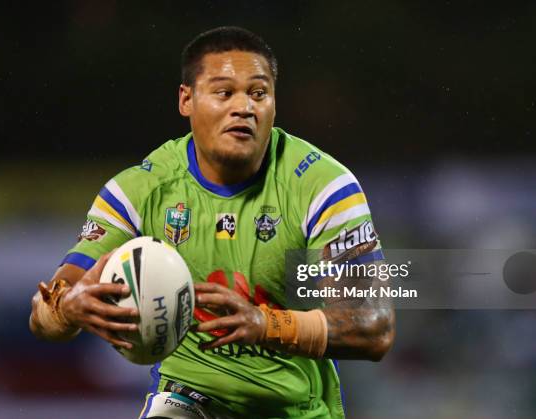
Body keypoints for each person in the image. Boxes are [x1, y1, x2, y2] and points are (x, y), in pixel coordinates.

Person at [29, 26, 395, 418]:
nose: (245, 108)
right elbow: (44, 310)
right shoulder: (140, 190)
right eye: (224, 93)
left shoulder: (322, 187)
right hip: (189, 398)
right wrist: (66, 309)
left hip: (295, 409)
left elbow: (373, 327)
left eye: (259, 93)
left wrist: (265, 323)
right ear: (187, 100)